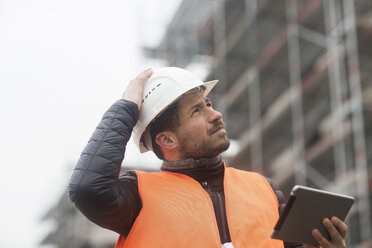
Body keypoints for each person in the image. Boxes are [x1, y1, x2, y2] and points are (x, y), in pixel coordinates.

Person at [68, 67, 348, 248]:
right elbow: (87, 189)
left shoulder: (265, 189)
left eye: (209, 105)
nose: (215, 115)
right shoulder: (136, 196)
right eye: (196, 111)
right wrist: (126, 107)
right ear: (167, 140)